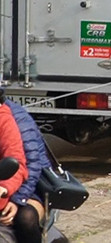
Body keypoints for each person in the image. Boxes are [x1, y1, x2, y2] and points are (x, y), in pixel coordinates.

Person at [1, 99, 45, 243]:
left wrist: (16, 199)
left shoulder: (15, 119)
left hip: (26, 185)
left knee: (26, 218)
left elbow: (26, 164)